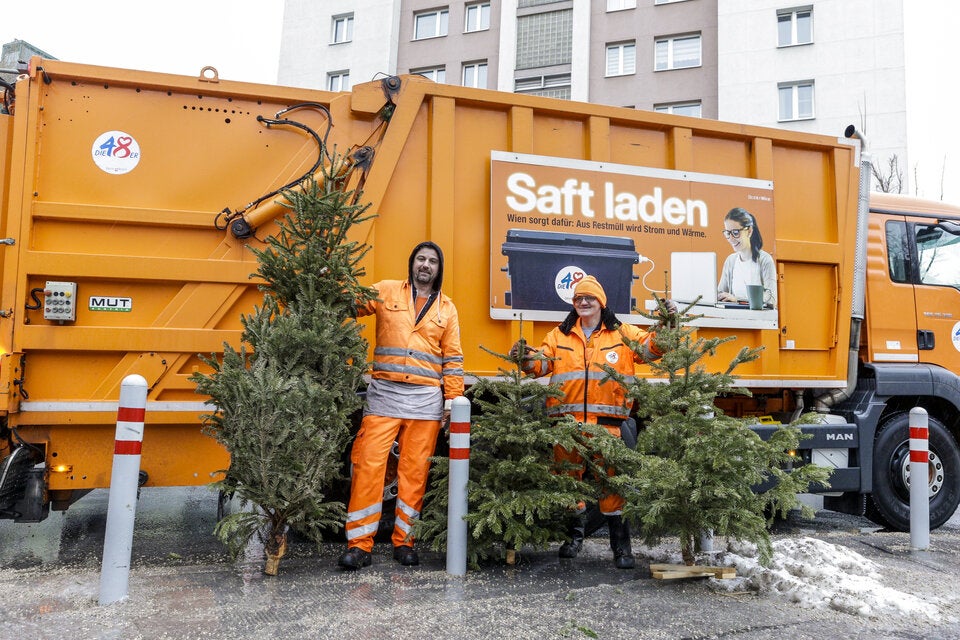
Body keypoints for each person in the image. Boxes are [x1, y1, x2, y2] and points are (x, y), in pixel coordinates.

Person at [512, 275, 672, 569]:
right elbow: (540, 365)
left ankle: (621, 549)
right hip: (567, 428)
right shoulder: (558, 336)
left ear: (601, 302)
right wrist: (524, 357)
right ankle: (573, 539)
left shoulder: (622, 333)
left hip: (608, 426)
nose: (583, 302)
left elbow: (651, 350)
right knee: (568, 486)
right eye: (578, 299)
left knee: (612, 487)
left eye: (589, 298)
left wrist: (665, 325)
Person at [338, 241, 463, 570]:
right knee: (368, 469)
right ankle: (359, 546)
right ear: (412, 264)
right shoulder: (386, 291)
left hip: (425, 402)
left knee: (414, 475)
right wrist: (332, 276)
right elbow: (350, 301)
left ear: (439, 269)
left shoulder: (446, 309)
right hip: (385, 396)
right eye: (420, 259)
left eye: (432, 261)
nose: (425, 265)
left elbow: (452, 360)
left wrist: (452, 401)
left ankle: (404, 542)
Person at [717, 207, 777, 309]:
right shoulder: (730, 261)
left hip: (759, 322)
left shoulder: (765, 260)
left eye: (735, 233)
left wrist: (737, 299)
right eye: (728, 233)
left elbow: (771, 299)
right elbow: (720, 293)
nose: (731, 239)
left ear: (749, 231)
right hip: (734, 320)